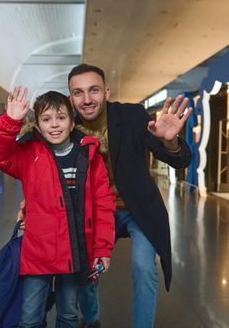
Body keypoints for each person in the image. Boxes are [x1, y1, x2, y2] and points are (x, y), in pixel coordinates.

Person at [67, 64, 192, 328]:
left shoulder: (132, 115)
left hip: (139, 209)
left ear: (106, 91)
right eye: (78, 93)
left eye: (94, 90)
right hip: (96, 211)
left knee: (143, 267)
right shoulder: (66, 126)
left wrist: (170, 141)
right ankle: (91, 321)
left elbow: (179, 161)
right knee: (87, 269)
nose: (87, 99)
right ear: (70, 98)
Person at [0, 88, 115, 328]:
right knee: (30, 318)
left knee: (68, 315)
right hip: (39, 251)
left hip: (75, 252)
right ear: (37, 125)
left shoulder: (89, 155)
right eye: (46, 119)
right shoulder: (28, 155)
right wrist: (10, 121)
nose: (54, 125)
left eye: (61, 118)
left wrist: (103, 248)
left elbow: (103, 204)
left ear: (72, 121)